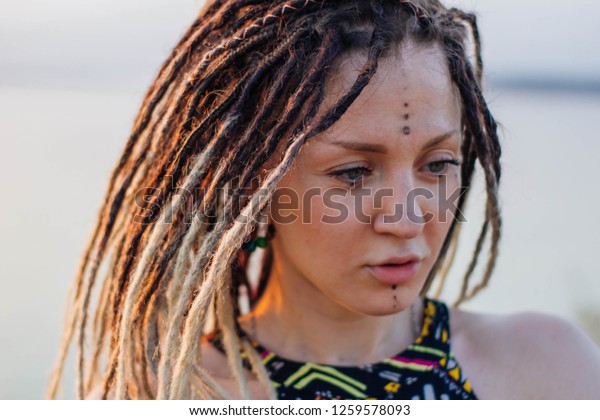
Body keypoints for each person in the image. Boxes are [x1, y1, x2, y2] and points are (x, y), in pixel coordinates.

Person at [47, 0, 600, 400]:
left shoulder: (550, 372)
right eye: (354, 172)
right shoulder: (168, 395)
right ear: (253, 188)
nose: (408, 219)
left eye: (438, 164)